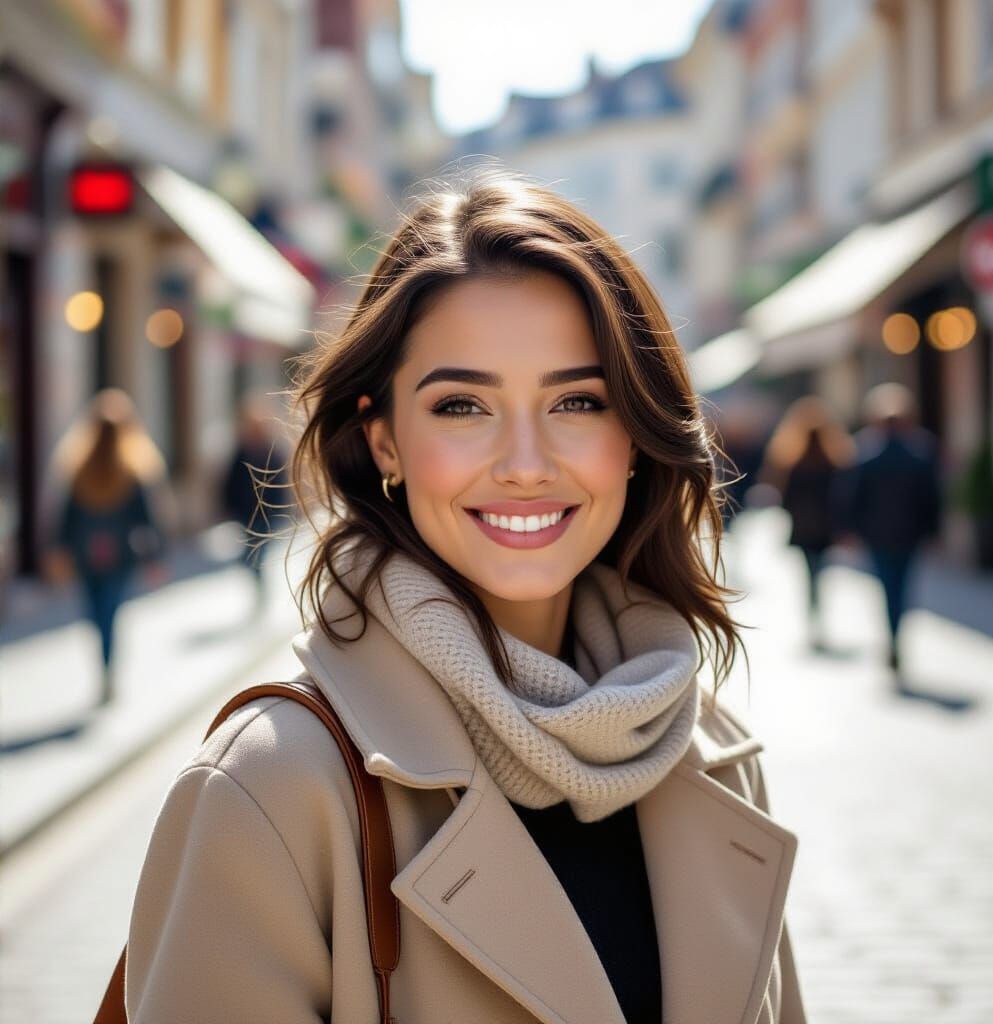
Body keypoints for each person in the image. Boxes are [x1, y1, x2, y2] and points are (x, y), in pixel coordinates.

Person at [123, 169, 806, 1023]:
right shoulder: (269, 790)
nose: (525, 463)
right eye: (462, 406)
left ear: (634, 436)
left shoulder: (708, 749)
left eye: (577, 400)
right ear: (384, 441)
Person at [45, 389, 168, 707]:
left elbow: (68, 520)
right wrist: (154, 558)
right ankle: (107, 666)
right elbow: (147, 521)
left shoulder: (121, 468)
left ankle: (106, 666)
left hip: (93, 556)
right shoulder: (104, 467)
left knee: (100, 613)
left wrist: (60, 552)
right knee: (105, 613)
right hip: (113, 557)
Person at [843, 382, 942, 677]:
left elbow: (851, 496)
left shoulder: (866, 453)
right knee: (902, 587)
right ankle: (896, 636)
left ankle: (893, 636)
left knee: (887, 587)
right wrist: (933, 532)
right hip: (908, 534)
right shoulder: (920, 453)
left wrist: (850, 528)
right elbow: (932, 498)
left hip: (878, 535)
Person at [762, 396, 855, 651]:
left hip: (803, 529)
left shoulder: (794, 462)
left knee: (810, 575)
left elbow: (785, 499)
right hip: (824, 529)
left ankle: (813, 619)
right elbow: (841, 500)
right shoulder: (833, 463)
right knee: (819, 574)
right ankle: (818, 618)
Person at [221, 395, 292, 613]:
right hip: (246, 514)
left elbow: (280, 484)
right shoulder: (241, 449)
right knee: (249, 556)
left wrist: (278, 510)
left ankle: (261, 591)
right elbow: (230, 481)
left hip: (266, 515)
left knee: (256, 554)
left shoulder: (272, 450)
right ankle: (260, 587)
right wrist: (228, 506)